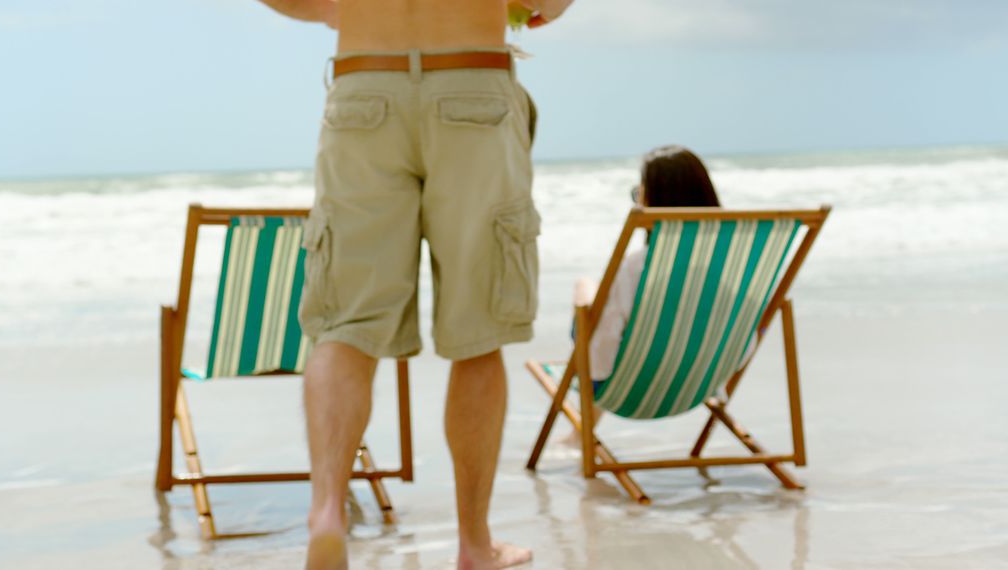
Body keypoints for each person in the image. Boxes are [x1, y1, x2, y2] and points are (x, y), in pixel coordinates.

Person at [255, 1, 574, 569]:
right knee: (479, 332)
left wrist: (334, 8)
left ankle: (327, 509)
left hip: (364, 87)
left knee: (345, 324)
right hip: (473, 83)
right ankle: (474, 545)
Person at [567, 145, 722, 438]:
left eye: (640, 192)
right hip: (701, 384)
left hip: (631, 392)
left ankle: (581, 434)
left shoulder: (636, 269)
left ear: (651, 200)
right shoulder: (732, 267)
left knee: (585, 291)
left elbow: (601, 354)